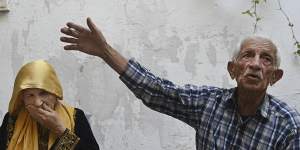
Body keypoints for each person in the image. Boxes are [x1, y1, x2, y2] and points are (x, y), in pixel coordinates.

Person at [59, 17, 300, 149]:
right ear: (232, 70)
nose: (256, 64)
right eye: (247, 55)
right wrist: (105, 52)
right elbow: (155, 90)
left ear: (274, 77)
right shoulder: (209, 104)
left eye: (265, 59)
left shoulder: (288, 124)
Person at [0, 60, 99, 150]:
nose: (38, 103)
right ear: (22, 98)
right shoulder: (12, 119)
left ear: (55, 92)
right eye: (30, 95)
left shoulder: (76, 116)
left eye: (44, 93)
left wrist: (61, 130)